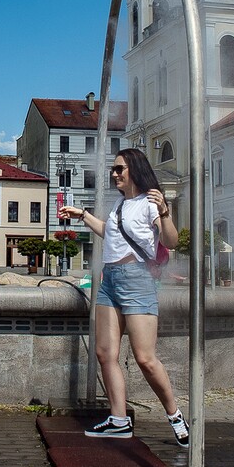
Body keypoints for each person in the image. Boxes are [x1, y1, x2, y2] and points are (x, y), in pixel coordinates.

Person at [57, 148, 188, 448]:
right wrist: (84, 215)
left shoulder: (149, 204)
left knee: (145, 357)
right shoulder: (119, 205)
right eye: (113, 170)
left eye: (120, 169)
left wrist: (165, 212)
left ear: (135, 170)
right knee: (105, 354)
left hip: (138, 280)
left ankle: (175, 414)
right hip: (110, 281)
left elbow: (171, 241)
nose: (115, 174)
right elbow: (111, 234)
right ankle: (118, 420)